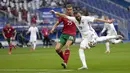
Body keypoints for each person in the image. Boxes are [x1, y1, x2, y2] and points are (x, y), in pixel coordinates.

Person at [50, 10, 123, 70]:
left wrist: (107, 21)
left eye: (79, 15)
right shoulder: (74, 19)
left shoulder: (85, 18)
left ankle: (114, 36)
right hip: (85, 38)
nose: (78, 17)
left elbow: (96, 19)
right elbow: (64, 16)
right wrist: (55, 12)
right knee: (81, 49)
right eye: (77, 16)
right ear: (75, 17)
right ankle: (84, 66)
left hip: (91, 35)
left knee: (98, 40)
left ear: (80, 14)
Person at [50, 4, 76, 69]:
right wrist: (53, 28)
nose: (70, 11)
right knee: (57, 49)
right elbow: (57, 23)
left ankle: (65, 63)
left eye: (71, 9)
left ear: (72, 9)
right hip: (64, 35)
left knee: (67, 46)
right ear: (66, 10)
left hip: (72, 35)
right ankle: (65, 59)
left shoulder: (76, 16)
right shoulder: (63, 16)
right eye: (68, 10)